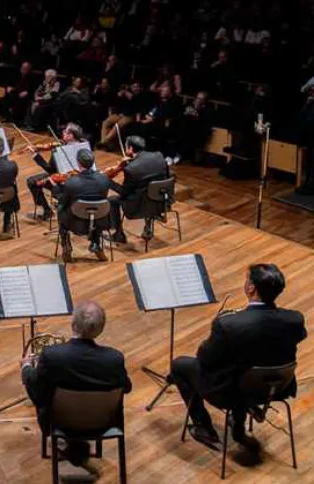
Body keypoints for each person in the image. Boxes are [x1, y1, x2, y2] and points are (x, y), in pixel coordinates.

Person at [170, 264, 306, 450]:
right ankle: (238, 421)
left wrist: (211, 338)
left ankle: (204, 427)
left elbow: (205, 359)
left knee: (179, 365)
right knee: (244, 367)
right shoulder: (295, 319)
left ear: (251, 288)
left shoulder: (229, 324)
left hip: (230, 392)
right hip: (276, 388)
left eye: (247, 279)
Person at [22, 301, 131, 468]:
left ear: (73, 324)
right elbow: (127, 387)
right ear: (101, 329)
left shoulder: (52, 356)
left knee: (43, 392)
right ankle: (75, 446)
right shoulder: (114, 359)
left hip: (61, 423)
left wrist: (26, 367)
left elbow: (36, 391)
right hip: (104, 423)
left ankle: (69, 444)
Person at [55, 149, 115, 261]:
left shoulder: (71, 182)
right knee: (96, 208)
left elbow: (63, 202)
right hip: (99, 222)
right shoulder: (104, 179)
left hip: (76, 223)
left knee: (60, 208)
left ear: (78, 163)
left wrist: (57, 191)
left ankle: (66, 245)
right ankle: (96, 244)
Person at [109, 135, 169, 243]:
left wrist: (108, 182)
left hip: (140, 206)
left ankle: (119, 234)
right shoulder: (159, 156)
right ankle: (148, 227)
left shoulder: (131, 169)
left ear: (130, 149)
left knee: (112, 200)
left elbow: (124, 193)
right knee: (149, 189)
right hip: (161, 200)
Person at [25, 123, 84, 221]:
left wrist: (36, 156)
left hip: (61, 182)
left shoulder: (58, 151)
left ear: (71, 136)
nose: (63, 133)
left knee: (31, 181)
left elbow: (50, 171)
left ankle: (48, 210)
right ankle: (64, 201)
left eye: (65, 132)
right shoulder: (83, 145)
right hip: (80, 182)